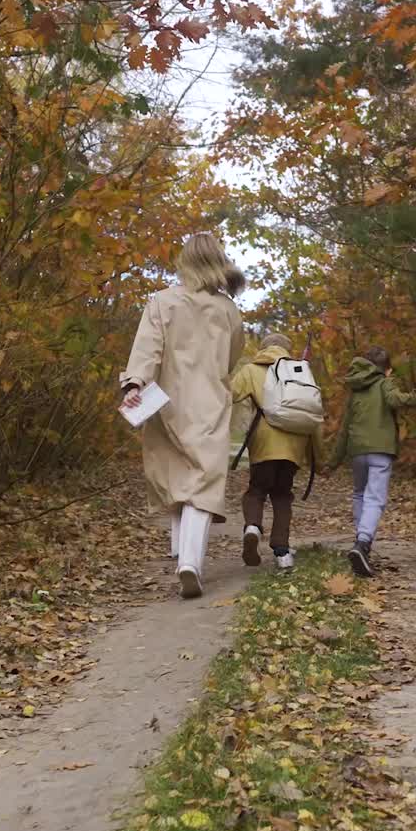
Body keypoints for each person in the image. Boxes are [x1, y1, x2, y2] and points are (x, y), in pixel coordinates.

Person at [121, 233, 245, 599]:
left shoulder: (162, 302)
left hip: (166, 401)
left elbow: (147, 347)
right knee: (203, 482)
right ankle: (189, 560)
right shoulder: (228, 310)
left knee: (176, 478)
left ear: (184, 262)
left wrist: (134, 384)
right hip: (209, 401)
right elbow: (233, 357)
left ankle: (180, 551)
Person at [231, 333, 323, 571]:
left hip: (264, 442)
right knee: (282, 496)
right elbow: (313, 415)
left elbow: (227, 395)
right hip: (295, 444)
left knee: (257, 490)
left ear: (263, 348)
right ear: (287, 349)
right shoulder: (300, 373)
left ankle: (252, 526)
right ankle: (282, 553)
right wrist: (319, 458)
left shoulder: (251, 370)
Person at [331, 347, 416, 578]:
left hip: (358, 451)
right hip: (380, 449)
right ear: (387, 369)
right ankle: (362, 543)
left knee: (360, 494)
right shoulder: (384, 382)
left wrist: (331, 463)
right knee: (375, 497)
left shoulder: (355, 391)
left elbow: (343, 430)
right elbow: (393, 400)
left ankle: (362, 543)